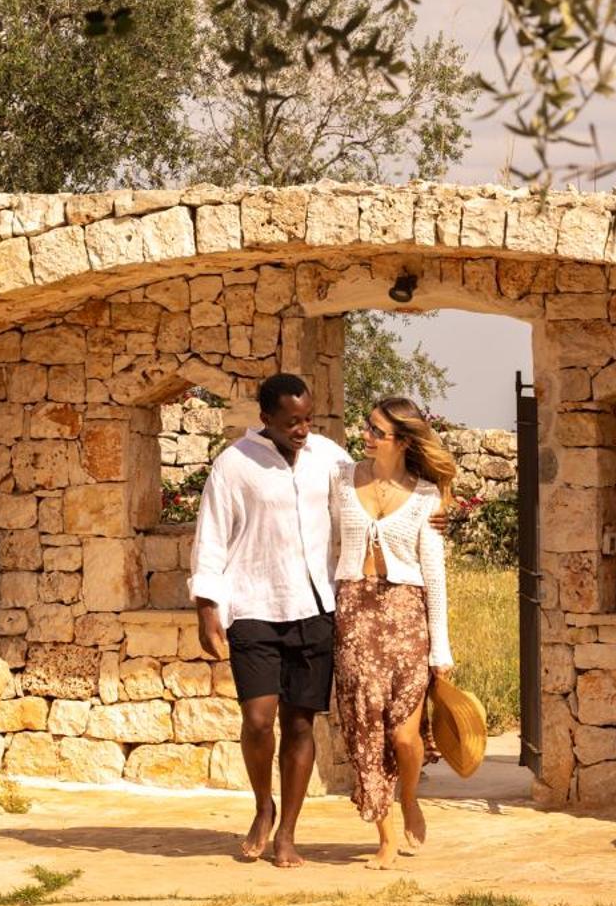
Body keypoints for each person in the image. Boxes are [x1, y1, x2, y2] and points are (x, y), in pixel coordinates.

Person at [190, 372, 352, 867]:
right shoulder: (234, 465)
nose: (302, 430)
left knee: (300, 724)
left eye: (308, 419)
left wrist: (431, 507)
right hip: (254, 603)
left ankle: (288, 833)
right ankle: (264, 806)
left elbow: (370, 497)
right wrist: (206, 607)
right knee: (258, 720)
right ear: (266, 419)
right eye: (291, 422)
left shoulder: (330, 458)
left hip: (315, 605)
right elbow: (212, 536)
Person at [332, 396, 455, 868]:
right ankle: (383, 833)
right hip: (355, 617)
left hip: (407, 620)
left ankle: (409, 796)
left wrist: (440, 648)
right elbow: (328, 543)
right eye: (366, 426)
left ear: (402, 441)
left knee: (405, 737)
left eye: (376, 431)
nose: (365, 436)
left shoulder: (426, 497)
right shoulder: (342, 480)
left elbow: (435, 574)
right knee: (366, 730)